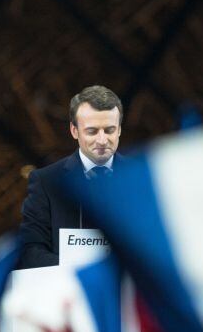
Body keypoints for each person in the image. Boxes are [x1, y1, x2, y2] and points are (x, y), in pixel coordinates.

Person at [18, 85, 124, 268]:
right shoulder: (46, 181)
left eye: (109, 130)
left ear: (120, 129)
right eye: (92, 131)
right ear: (74, 131)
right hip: (66, 291)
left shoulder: (142, 178)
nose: (102, 140)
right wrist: (83, 271)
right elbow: (30, 252)